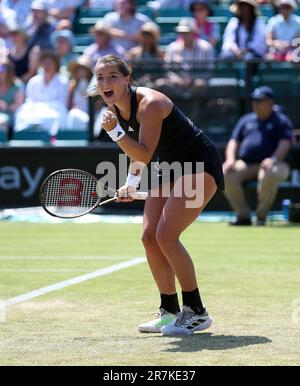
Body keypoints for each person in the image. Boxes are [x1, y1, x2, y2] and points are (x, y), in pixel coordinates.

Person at [94, 54, 224, 336]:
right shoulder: (116, 108)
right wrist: (130, 182)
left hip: (198, 164)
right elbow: (139, 157)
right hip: (169, 169)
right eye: (100, 78)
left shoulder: (149, 105)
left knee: (167, 235)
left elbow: (143, 152)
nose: (105, 83)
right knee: (149, 236)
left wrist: (114, 131)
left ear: (128, 79)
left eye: (112, 76)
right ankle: (169, 311)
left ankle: (197, 312)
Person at [223, 86, 293, 226]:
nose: (255, 103)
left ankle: (261, 216)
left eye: (259, 100)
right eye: (254, 100)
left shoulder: (281, 121)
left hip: (276, 164)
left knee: (269, 172)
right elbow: (233, 141)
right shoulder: (245, 120)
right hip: (246, 164)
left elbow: (285, 144)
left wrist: (273, 159)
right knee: (224, 173)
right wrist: (230, 159)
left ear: (270, 103)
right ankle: (243, 216)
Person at [14, 51, 68, 135]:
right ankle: (20, 136)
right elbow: (30, 101)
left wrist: (45, 107)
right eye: (45, 63)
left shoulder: (63, 82)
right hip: (35, 110)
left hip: (54, 111)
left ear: (56, 65)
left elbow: (62, 104)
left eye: (50, 63)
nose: (47, 66)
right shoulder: (33, 81)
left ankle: (54, 138)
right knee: (21, 111)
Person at [66, 55, 93, 130]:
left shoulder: (94, 86)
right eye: (79, 69)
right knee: (73, 114)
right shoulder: (72, 85)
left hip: (90, 118)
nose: (81, 71)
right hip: (76, 115)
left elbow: (96, 106)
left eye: (83, 68)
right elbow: (69, 105)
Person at [0, 59, 24, 136]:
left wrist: (6, 106)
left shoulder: (17, 86)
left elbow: (18, 105)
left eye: (3, 69)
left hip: (12, 117)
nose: (1, 72)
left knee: (2, 123)